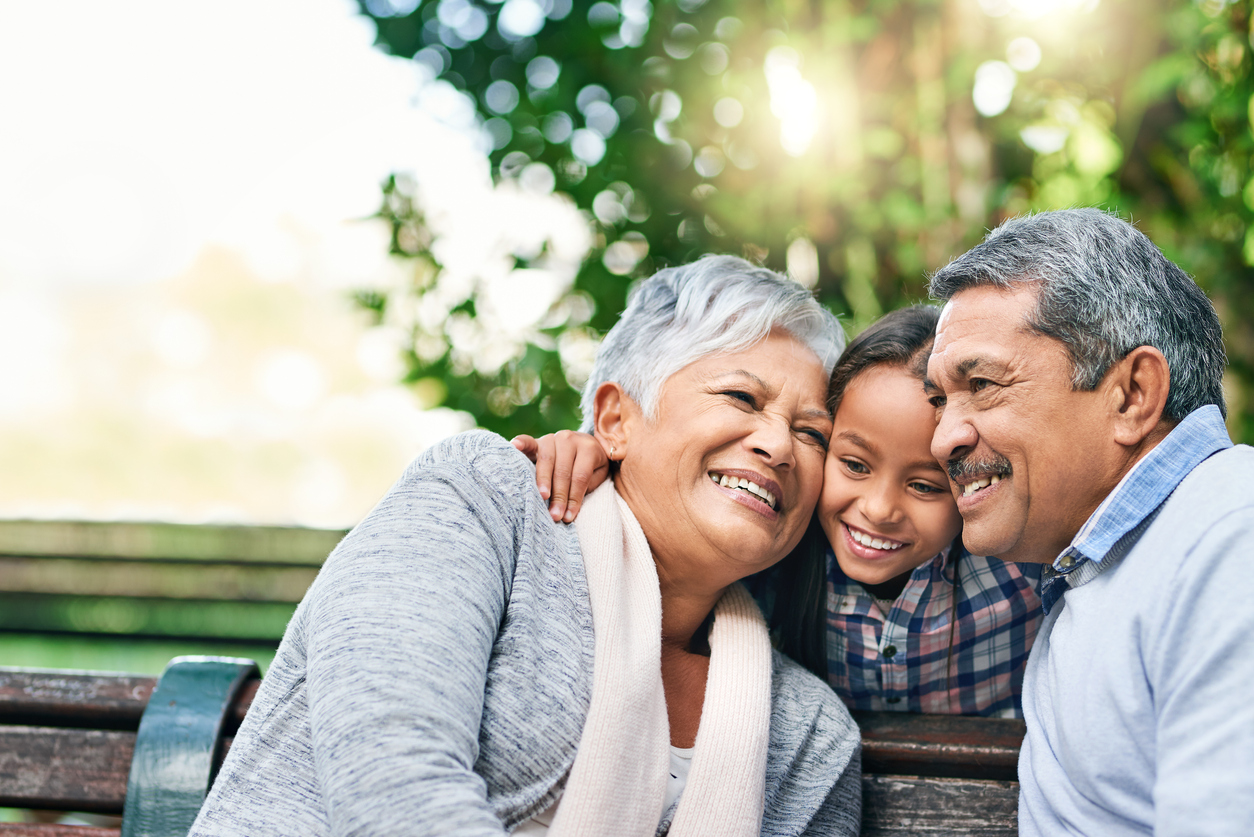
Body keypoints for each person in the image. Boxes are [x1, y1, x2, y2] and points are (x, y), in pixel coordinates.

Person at [190, 255, 862, 837]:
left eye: (812, 434)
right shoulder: (487, 503)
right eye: (742, 397)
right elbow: (390, 771)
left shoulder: (806, 733)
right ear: (615, 419)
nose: (779, 445)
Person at [520, 305, 1043, 717]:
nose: (880, 510)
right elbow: (669, 504)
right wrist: (593, 451)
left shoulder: (1020, 570)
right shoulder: (768, 558)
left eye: (926, 487)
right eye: (855, 466)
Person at [924, 208, 1254, 836]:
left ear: (1131, 395)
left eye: (984, 384)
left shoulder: (1230, 537)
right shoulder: (1091, 573)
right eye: (939, 399)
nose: (943, 438)